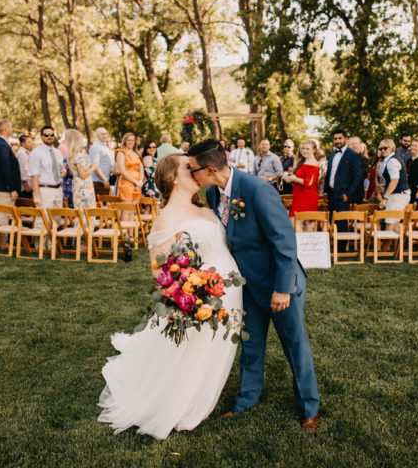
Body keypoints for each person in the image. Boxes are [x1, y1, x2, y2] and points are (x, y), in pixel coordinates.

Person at [98, 154, 243, 440]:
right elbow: (160, 271)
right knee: (191, 354)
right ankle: (182, 402)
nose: (197, 171)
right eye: (189, 168)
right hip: (201, 298)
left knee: (212, 351)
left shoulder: (207, 205)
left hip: (228, 293)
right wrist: (189, 295)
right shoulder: (166, 218)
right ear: (174, 178)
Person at [188, 140, 320, 431]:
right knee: (250, 345)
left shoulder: (258, 190)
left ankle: (309, 408)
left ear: (209, 169)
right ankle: (246, 400)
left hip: (279, 284)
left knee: (295, 347)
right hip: (246, 286)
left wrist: (282, 288)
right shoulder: (212, 193)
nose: (190, 174)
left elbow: (285, 242)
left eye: (192, 169)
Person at [325, 130, 362, 250]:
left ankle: (341, 248)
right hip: (331, 193)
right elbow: (329, 173)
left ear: (346, 139)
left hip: (343, 194)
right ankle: (334, 244)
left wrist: (348, 193)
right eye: (335, 139)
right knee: (332, 220)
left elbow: (357, 177)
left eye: (340, 138)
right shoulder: (332, 154)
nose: (337, 141)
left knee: (341, 222)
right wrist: (326, 191)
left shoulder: (352, 155)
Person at [29, 125, 66, 229]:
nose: (49, 137)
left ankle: (51, 244)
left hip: (58, 189)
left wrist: (64, 172)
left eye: (52, 135)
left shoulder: (58, 152)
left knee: (56, 219)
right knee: (42, 219)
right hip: (44, 190)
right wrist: (37, 195)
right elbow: (34, 175)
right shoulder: (36, 153)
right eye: (46, 135)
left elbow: (61, 169)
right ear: (41, 136)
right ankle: (39, 245)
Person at [0, 119, 21, 228]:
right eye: (11, 127)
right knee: (3, 215)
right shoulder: (2, 145)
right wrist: (11, 188)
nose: (12, 130)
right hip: (4, 187)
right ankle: (2, 242)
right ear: (6, 129)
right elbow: (5, 168)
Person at [377, 139, 411, 239]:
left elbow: (395, 180)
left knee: (389, 223)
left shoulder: (392, 161)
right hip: (400, 194)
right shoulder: (388, 160)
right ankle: (398, 250)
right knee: (395, 223)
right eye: (381, 148)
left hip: (398, 195)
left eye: (385, 148)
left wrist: (385, 198)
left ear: (391, 148)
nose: (383, 150)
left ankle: (385, 251)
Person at [284, 141, 320, 230]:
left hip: (306, 197)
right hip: (300, 196)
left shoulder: (312, 163)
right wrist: (291, 179)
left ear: (314, 150)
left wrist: (294, 179)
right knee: (305, 223)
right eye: (303, 148)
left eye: (308, 149)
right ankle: (307, 243)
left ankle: (301, 244)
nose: (304, 151)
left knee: (296, 221)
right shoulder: (305, 161)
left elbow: (309, 183)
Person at [115, 132, 144, 224]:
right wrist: (136, 182)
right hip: (127, 185)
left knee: (133, 211)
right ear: (125, 141)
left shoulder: (137, 153)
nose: (131, 142)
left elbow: (141, 169)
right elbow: (123, 171)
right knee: (126, 210)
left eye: (133, 140)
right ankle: (125, 235)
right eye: (129, 140)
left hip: (137, 186)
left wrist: (140, 182)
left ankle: (131, 235)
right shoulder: (121, 153)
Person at [66, 129, 97, 210]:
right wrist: (93, 168)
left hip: (78, 185)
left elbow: (78, 171)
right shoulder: (78, 156)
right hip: (84, 188)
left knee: (80, 211)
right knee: (87, 212)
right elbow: (83, 175)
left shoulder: (73, 155)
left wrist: (89, 167)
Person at [88, 127, 114, 197]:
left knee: (105, 204)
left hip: (105, 181)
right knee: (99, 205)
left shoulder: (105, 147)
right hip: (98, 182)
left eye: (106, 134)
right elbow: (95, 166)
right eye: (102, 134)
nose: (105, 136)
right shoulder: (96, 147)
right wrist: (104, 180)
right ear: (97, 136)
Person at [348, 135, 369, 203]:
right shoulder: (343, 158)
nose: (354, 145)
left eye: (356, 143)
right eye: (352, 143)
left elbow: (363, 175)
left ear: (360, 145)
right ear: (348, 145)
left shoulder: (364, 159)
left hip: (356, 193)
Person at [16, 134, 34, 199]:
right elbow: (22, 170)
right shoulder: (22, 153)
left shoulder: (27, 152)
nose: (31, 144)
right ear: (22, 144)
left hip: (29, 184)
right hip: (25, 187)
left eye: (31, 142)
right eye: (29, 142)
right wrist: (26, 186)